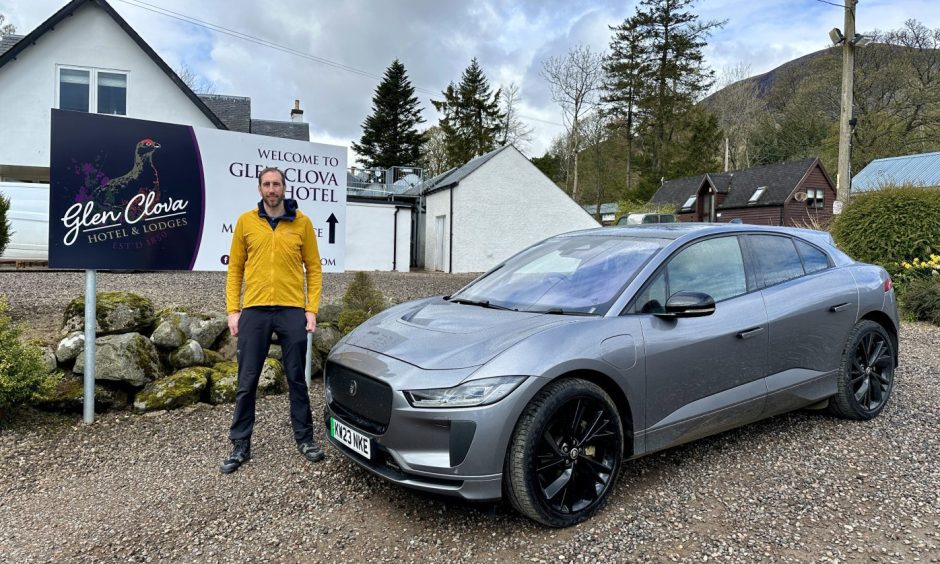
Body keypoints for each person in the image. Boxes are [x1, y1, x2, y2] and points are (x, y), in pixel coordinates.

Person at [220, 166, 325, 474]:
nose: (271, 189)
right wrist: (232, 310)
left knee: (297, 379)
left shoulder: (302, 223)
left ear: (284, 187)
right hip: (254, 310)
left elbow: (314, 268)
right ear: (259, 189)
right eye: (266, 184)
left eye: (276, 184)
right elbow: (235, 269)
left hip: (291, 309)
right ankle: (240, 444)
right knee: (247, 381)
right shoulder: (245, 222)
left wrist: (311, 308)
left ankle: (305, 439)